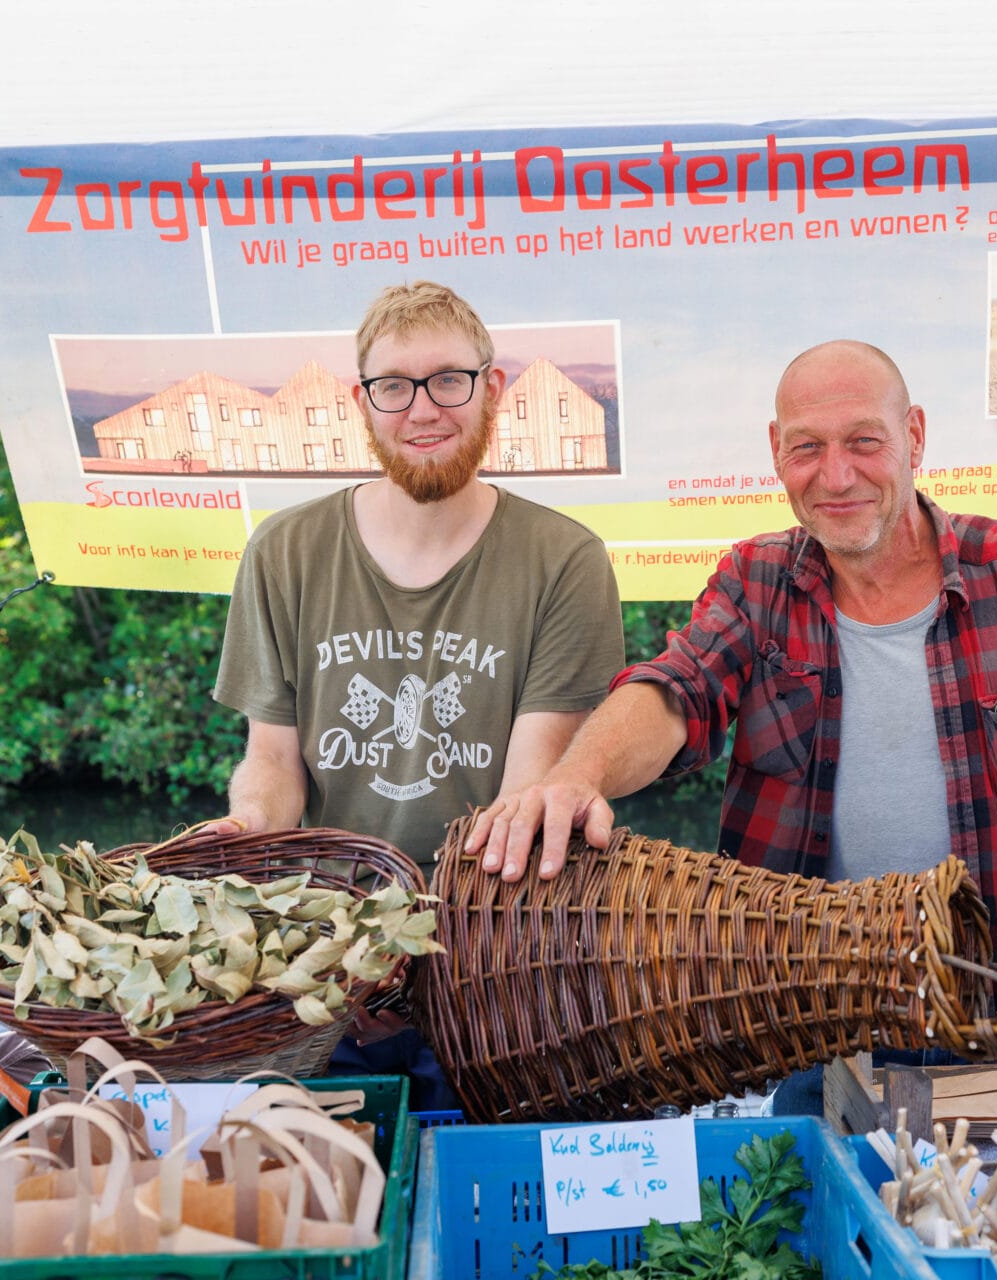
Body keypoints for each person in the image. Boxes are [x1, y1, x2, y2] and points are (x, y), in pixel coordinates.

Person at [467, 340, 997, 994]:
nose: (836, 477)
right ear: (775, 450)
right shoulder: (758, 580)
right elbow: (678, 692)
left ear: (913, 436)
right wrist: (577, 777)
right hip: (812, 1015)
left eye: (863, 442)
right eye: (807, 448)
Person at [213, 280, 624, 1104]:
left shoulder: (565, 560)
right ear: (362, 403)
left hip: (492, 973)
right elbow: (272, 761)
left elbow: (526, 795)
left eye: (448, 380)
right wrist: (248, 833)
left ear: (492, 389)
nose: (423, 408)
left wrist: (405, 949)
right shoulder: (283, 553)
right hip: (317, 975)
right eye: (393, 386)